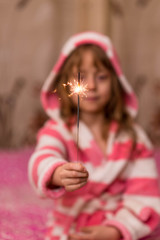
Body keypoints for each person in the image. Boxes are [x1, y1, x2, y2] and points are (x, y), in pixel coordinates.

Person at [28, 32, 160, 240]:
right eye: (80, 77)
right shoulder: (58, 129)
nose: (90, 85)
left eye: (101, 76)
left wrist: (115, 230)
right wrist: (57, 173)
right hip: (71, 230)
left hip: (119, 226)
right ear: (65, 81)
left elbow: (145, 194)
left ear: (116, 82)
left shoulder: (133, 137)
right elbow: (41, 159)